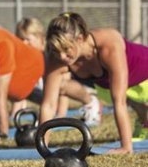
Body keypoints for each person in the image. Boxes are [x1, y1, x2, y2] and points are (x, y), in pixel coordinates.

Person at [41, 12, 148, 154]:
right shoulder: (57, 59)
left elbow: (119, 102)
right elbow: (48, 105)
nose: (61, 56)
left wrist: (126, 147)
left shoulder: (108, 45)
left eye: (66, 49)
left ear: (79, 39)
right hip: (114, 86)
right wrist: (42, 147)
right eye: (56, 50)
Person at [15, 17, 102, 125]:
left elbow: (64, 78)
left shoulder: (53, 51)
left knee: (59, 84)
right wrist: (15, 111)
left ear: (39, 36)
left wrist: (61, 114)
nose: (24, 43)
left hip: (82, 75)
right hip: (49, 88)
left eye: (27, 39)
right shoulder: (28, 54)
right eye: (20, 39)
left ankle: (90, 102)